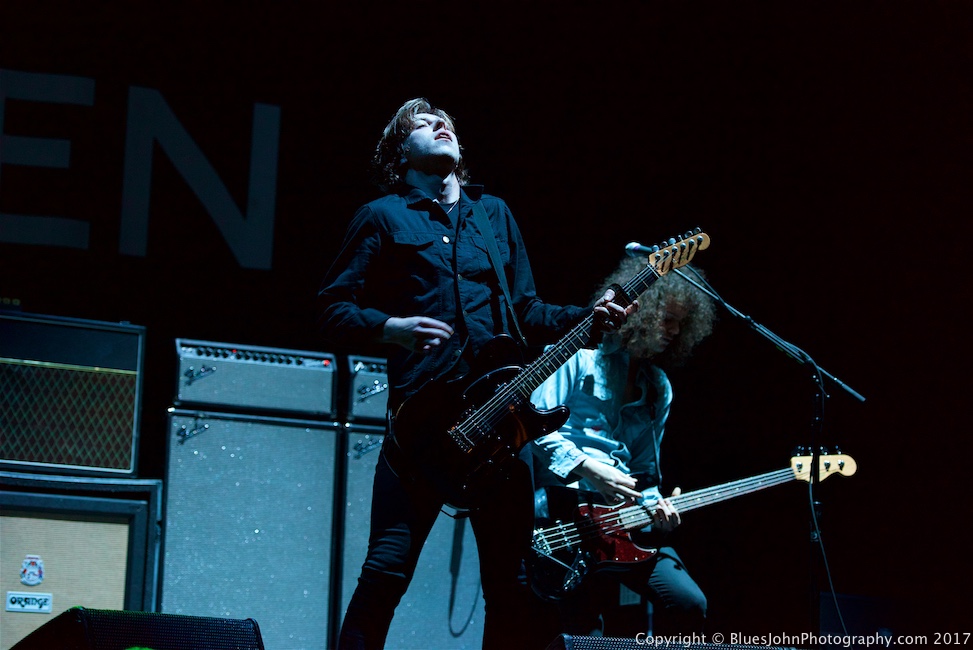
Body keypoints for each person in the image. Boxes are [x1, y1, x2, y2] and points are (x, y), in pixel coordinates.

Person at [316, 97, 638, 650]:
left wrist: (593, 316)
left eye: (446, 121)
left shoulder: (495, 216)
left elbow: (528, 311)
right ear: (400, 151)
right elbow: (331, 308)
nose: (441, 124)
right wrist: (389, 326)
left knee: (511, 588)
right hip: (421, 428)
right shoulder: (383, 215)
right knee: (386, 572)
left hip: (500, 427)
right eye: (423, 123)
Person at [528, 256, 717, 637]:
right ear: (642, 310)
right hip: (562, 516)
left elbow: (645, 474)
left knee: (689, 603)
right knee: (580, 629)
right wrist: (588, 467)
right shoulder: (577, 356)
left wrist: (658, 508)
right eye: (668, 318)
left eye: (682, 324)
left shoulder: (658, 387)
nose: (674, 330)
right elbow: (530, 426)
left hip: (620, 523)